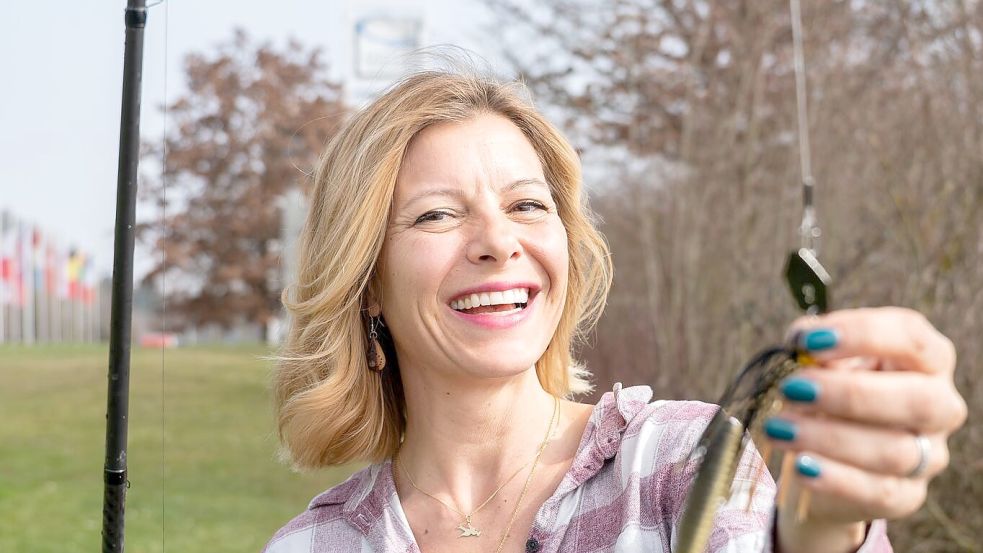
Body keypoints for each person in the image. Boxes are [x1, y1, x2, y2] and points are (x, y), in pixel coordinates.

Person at [262, 70, 966, 552]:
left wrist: (823, 528)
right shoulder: (312, 543)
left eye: (526, 205)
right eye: (437, 214)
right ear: (369, 281)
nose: (499, 243)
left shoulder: (677, 462)